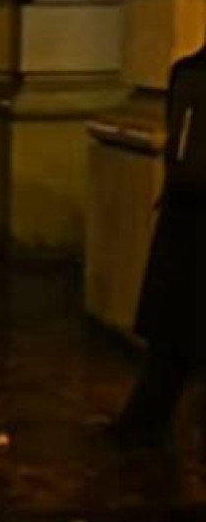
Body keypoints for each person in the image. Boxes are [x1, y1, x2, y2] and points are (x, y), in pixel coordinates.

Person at [110, 37, 206, 446]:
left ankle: (142, 426)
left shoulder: (187, 73)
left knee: (171, 345)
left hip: (184, 219)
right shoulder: (192, 76)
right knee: (175, 341)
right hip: (193, 221)